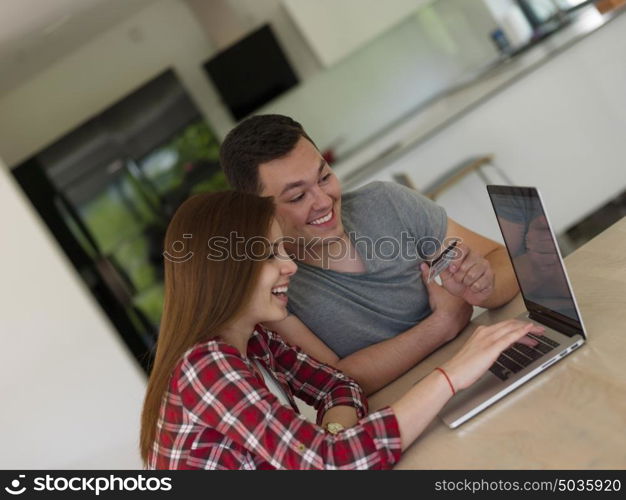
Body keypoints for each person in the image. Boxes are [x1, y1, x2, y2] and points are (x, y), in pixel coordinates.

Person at [139, 190, 543, 470]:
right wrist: (452, 376)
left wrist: (332, 438)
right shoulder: (206, 366)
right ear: (223, 271)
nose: (290, 266)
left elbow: (338, 386)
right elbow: (336, 466)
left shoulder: (256, 339)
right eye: (268, 254)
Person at [219, 114, 521, 394]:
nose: (324, 201)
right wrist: (443, 323)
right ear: (257, 212)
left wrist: (482, 287)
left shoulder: (386, 203)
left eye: (324, 177)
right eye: (298, 196)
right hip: (408, 414)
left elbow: (506, 260)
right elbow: (339, 381)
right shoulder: (273, 285)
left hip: (485, 373)